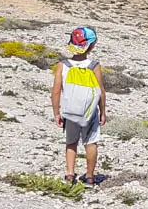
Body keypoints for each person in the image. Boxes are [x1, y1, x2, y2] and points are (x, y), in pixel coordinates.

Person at [51, 27, 107, 186]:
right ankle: (89, 176)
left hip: (70, 111)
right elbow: (101, 91)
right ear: (91, 46)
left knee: (71, 142)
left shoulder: (63, 65)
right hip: (89, 112)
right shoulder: (94, 65)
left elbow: (56, 92)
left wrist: (56, 113)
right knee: (91, 143)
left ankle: (69, 175)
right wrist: (102, 112)